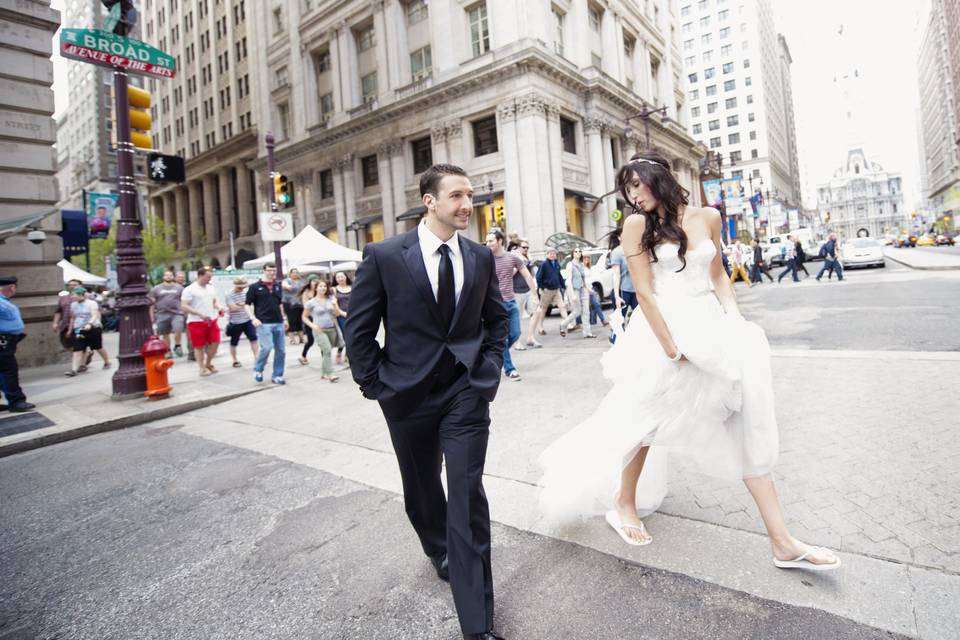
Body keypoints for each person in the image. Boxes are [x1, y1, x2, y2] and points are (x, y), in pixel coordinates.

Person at [539, 153, 840, 571]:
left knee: (744, 421)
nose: (633, 195)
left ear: (658, 178)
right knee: (643, 422)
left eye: (638, 185)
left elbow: (717, 275)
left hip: (714, 329)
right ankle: (623, 504)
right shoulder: (636, 225)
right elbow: (644, 292)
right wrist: (670, 348)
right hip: (664, 333)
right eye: (627, 189)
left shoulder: (707, 217)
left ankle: (782, 542)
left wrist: (734, 320)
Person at [345, 164, 509, 640]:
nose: (467, 205)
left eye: (471, 195)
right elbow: (358, 329)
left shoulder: (478, 256)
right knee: (421, 490)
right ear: (429, 200)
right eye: (457, 195)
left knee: (466, 495)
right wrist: (376, 384)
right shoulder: (385, 255)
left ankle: (477, 626)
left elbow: (497, 319)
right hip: (406, 395)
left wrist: (488, 368)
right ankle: (437, 547)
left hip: (465, 394)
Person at [486, 228, 538, 381]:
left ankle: (495, 353)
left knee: (515, 334)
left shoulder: (512, 258)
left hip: (511, 301)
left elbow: (527, 275)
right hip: (496, 304)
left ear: (500, 241)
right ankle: (510, 369)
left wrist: (535, 295)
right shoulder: (486, 259)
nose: (487, 243)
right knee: (503, 338)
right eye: (487, 241)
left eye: (491, 241)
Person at [245, 263, 288, 385]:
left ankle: (277, 375)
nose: (272, 273)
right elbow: (247, 304)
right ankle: (258, 369)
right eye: (269, 270)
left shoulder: (278, 286)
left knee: (281, 350)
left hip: (278, 321)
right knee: (267, 347)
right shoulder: (255, 287)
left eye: (274, 270)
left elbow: (280, 304)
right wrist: (252, 318)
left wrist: (284, 319)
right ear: (264, 271)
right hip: (263, 322)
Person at [180, 266, 222, 376]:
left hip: (211, 319)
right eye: (208, 277)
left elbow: (213, 302)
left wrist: (219, 307)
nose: (209, 279)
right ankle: (201, 367)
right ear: (200, 276)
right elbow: (184, 306)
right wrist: (199, 314)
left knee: (215, 342)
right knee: (199, 346)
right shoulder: (189, 289)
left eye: (210, 277)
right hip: (196, 321)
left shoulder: (211, 288)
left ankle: (208, 363)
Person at [0, 276, 34, 412]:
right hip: (3, 341)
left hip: (7, 340)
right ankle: (16, 401)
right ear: (12, 287)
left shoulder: (4, 302)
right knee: (8, 371)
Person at [303, 279, 343, 382]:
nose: (323, 288)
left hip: (332, 329)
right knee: (327, 350)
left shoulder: (331, 299)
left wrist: (334, 305)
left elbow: (337, 314)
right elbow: (304, 317)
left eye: (325, 286)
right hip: (319, 330)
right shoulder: (311, 302)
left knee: (326, 352)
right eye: (320, 286)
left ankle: (323, 373)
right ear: (316, 288)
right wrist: (313, 326)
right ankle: (331, 374)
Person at [65, 286, 111, 376]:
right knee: (77, 349)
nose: (72, 297)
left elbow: (94, 315)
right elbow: (73, 318)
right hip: (79, 328)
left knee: (97, 347)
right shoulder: (73, 305)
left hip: (93, 327)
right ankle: (74, 369)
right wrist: (70, 329)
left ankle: (107, 361)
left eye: (73, 295)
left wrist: (90, 324)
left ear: (80, 295)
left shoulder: (91, 303)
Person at [510, 240, 542, 350]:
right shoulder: (513, 257)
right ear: (517, 248)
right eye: (524, 247)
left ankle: (530, 338)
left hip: (528, 290)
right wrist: (520, 262)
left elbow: (532, 275)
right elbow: (510, 274)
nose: (526, 249)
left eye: (527, 247)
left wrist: (530, 262)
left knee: (537, 311)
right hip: (516, 291)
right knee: (516, 318)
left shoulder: (527, 258)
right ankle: (516, 342)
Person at [532, 248, 569, 338]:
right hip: (547, 290)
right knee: (544, 309)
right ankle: (540, 327)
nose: (552, 255)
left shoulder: (556, 264)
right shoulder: (544, 264)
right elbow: (538, 277)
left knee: (562, 306)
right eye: (550, 253)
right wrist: (542, 287)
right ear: (547, 254)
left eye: (554, 253)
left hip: (556, 290)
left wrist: (563, 286)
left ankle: (568, 324)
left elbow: (559, 276)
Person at [149, 270, 186, 357]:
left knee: (178, 329)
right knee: (165, 333)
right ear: (163, 277)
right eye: (166, 275)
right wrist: (151, 316)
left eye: (170, 275)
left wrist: (184, 311)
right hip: (162, 313)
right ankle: (168, 350)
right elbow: (152, 304)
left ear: (173, 277)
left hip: (177, 313)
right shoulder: (156, 288)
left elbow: (184, 300)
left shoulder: (179, 288)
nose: (168, 277)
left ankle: (177, 345)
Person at [225, 276, 258, 367]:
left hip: (247, 320)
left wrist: (241, 305)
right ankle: (235, 360)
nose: (241, 289)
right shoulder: (229, 294)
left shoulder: (246, 292)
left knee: (254, 339)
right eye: (239, 287)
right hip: (235, 321)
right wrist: (244, 305)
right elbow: (233, 308)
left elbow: (250, 303)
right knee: (234, 342)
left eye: (243, 287)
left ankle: (257, 357)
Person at [564, 247, 596, 338]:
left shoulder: (582, 265)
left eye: (579, 251)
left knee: (586, 311)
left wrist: (588, 288)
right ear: (573, 253)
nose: (578, 253)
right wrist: (572, 295)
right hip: (575, 290)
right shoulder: (570, 264)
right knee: (577, 311)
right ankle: (564, 324)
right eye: (576, 251)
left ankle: (587, 332)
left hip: (584, 289)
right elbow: (569, 280)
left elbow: (583, 278)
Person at [609, 228, 639, 313]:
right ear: (619, 237)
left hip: (636, 290)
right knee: (619, 321)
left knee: (640, 317)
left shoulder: (634, 250)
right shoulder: (617, 252)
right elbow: (616, 276)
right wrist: (617, 296)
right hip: (623, 291)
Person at [52, 279, 81, 351]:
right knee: (67, 345)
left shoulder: (86, 297)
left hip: (80, 325)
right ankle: (83, 356)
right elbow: (58, 311)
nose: (72, 287)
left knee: (80, 344)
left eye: (75, 285)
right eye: (70, 285)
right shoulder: (63, 298)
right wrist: (55, 323)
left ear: (80, 286)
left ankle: (82, 357)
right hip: (65, 325)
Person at [282, 268, 306, 345]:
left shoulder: (301, 281)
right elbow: (284, 285)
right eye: (293, 272)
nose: (295, 274)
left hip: (300, 303)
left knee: (299, 320)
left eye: (296, 272)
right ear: (290, 274)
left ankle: (301, 338)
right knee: (291, 321)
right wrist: (288, 287)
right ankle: (292, 339)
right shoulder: (287, 280)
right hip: (289, 303)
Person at [333, 271, 352, 365]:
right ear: (336, 279)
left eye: (342, 276)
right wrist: (342, 313)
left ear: (346, 277)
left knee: (352, 335)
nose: (340, 278)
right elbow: (334, 304)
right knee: (346, 336)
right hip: (341, 316)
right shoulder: (334, 289)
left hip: (353, 315)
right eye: (338, 277)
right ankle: (341, 352)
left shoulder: (352, 287)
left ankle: (348, 355)